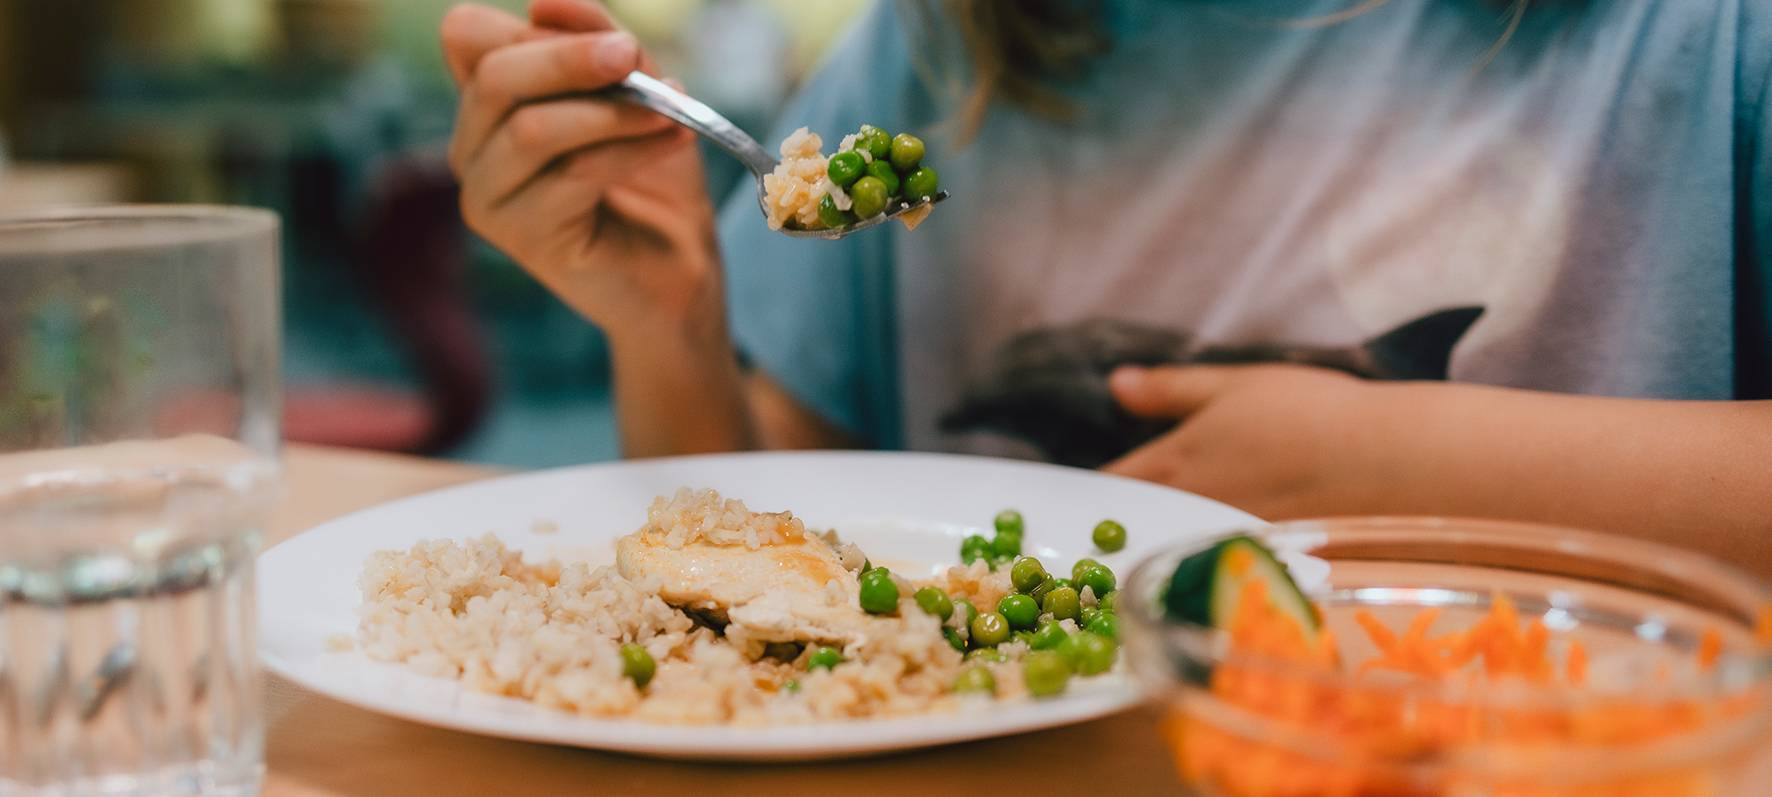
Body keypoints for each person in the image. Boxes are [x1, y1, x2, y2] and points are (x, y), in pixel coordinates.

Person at [439, 0, 1772, 569]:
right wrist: (669, 323)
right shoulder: (931, 56)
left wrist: (1424, 464)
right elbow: (743, 557)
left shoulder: (1706, 41)